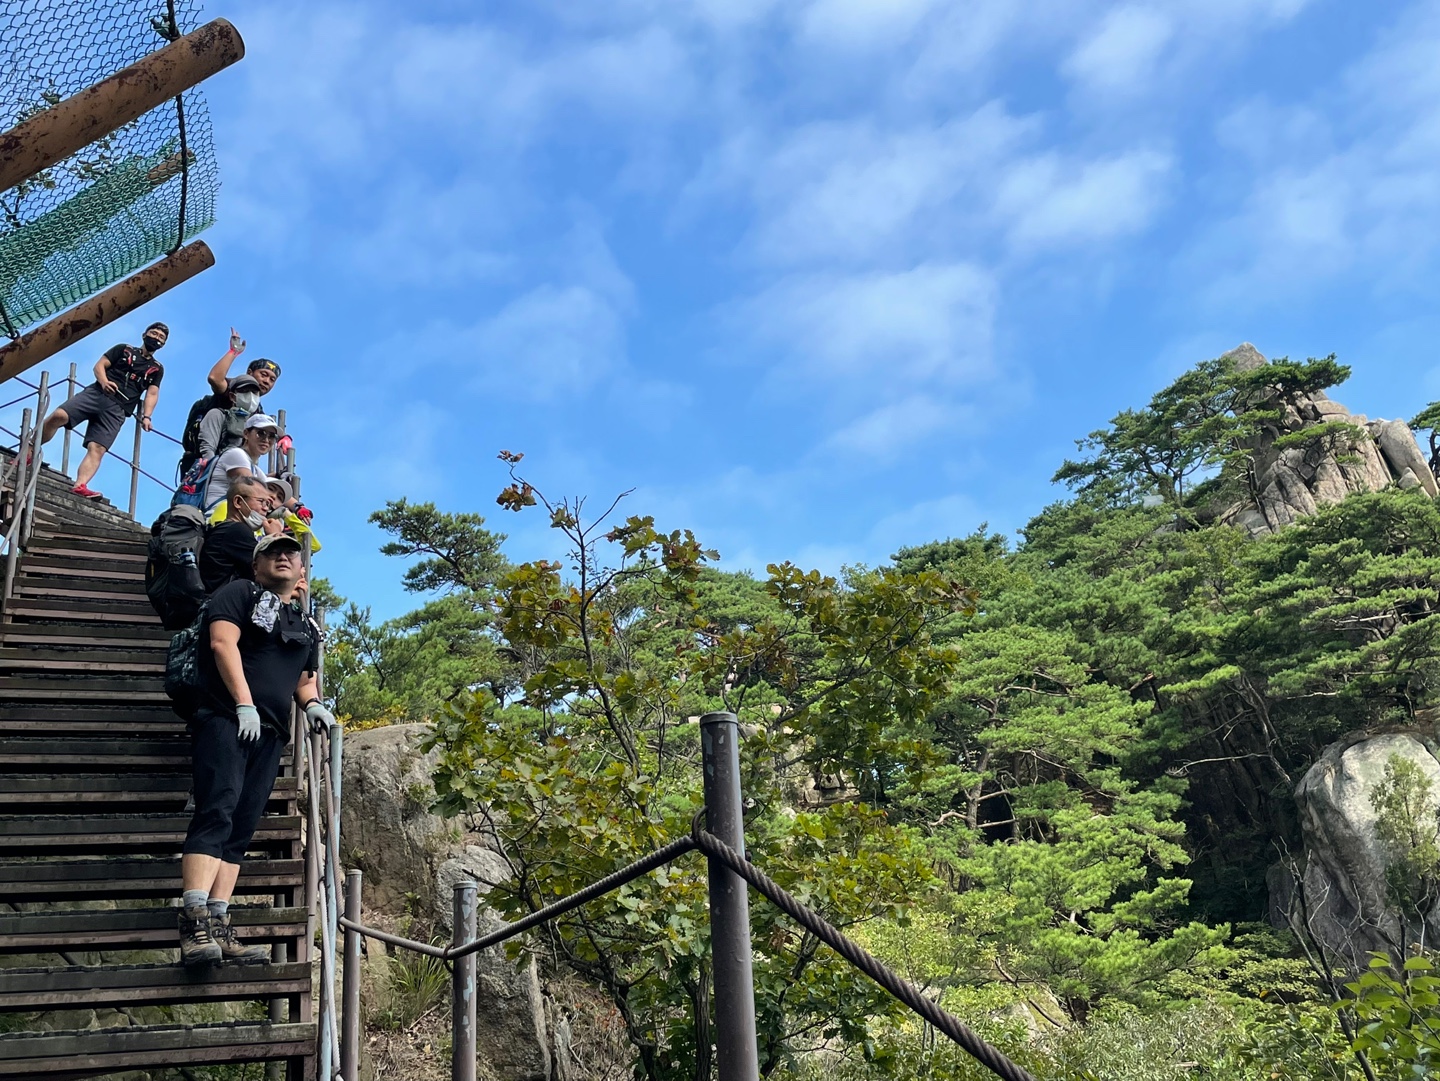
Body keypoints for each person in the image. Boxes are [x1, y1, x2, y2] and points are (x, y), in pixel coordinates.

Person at [176, 531, 334, 965]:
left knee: (242, 825)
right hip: (225, 718)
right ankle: (193, 922)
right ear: (256, 564)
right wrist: (243, 703)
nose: (283, 556)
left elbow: (304, 681)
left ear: (302, 572)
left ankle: (218, 921)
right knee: (217, 810)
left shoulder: (304, 624)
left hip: (272, 732)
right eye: (273, 552)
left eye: (291, 554)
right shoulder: (239, 594)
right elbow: (221, 642)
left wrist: (314, 706)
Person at [38, 321, 168, 498]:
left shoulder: (157, 368)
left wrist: (147, 416)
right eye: (154, 333)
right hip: (97, 393)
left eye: (161, 337)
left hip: (118, 408)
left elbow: (152, 392)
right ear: (145, 335)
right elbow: (99, 365)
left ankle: (80, 484)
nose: (156, 338)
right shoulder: (124, 349)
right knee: (59, 415)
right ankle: (31, 448)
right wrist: (104, 382)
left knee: (98, 447)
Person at [200, 476, 283, 594]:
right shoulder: (236, 531)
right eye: (261, 501)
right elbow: (269, 572)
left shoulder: (224, 530)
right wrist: (275, 535)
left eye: (268, 504)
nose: (266, 509)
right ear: (238, 502)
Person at [203, 414, 278, 512]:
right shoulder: (236, 454)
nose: (266, 440)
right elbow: (252, 488)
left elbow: (270, 489)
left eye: (272, 436)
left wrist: (296, 507)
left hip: (232, 516)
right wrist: (282, 510)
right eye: (261, 433)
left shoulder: (255, 469)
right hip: (216, 515)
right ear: (246, 434)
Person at [196, 374, 262, 460]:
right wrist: (214, 467)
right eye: (245, 391)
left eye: (254, 392)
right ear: (232, 396)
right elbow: (207, 450)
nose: (250, 395)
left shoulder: (255, 425)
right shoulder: (217, 415)